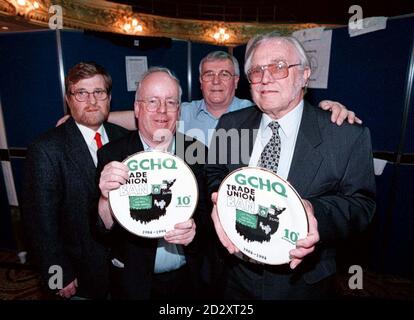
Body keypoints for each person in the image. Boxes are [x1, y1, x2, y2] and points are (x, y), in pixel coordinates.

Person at [205, 33, 376, 300]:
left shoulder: (345, 135)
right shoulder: (231, 125)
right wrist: (220, 200)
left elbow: (362, 205)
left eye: (279, 66)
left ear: (305, 75)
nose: (265, 77)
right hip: (233, 273)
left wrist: (314, 212)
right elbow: (215, 172)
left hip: (301, 282)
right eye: (257, 70)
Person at [96, 67, 210, 299]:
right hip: (134, 283)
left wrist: (195, 233)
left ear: (178, 111)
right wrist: (106, 197)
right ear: (137, 108)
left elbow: (209, 219)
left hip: (188, 281)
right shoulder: (112, 155)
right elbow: (101, 229)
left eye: (170, 102)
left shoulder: (198, 152)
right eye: (152, 101)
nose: (162, 110)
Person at [22, 62, 128, 299]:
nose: (92, 100)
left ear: (109, 97)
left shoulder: (123, 139)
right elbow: (39, 221)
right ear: (69, 100)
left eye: (99, 92)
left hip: (124, 271)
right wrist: (56, 272)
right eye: (81, 93)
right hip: (78, 274)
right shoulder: (46, 149)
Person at [100, 51, 361, 146]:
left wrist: (330, 110)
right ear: (200, 81)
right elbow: (143, 115)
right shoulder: (182, 111)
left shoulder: (258, 112)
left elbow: (293, 112)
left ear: (237, 81)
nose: (215, 81)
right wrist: (94, 118)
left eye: (224, 74)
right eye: (209, 75)